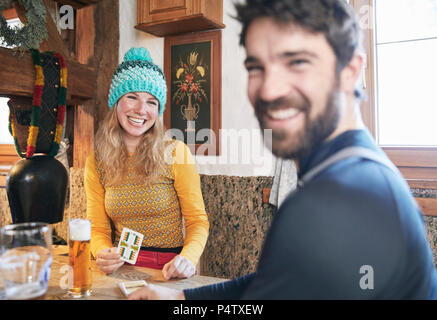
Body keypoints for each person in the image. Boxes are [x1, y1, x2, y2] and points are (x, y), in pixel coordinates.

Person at [129, 0, 437, 299]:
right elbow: (285, 278)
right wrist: (182, 299)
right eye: (257, 67)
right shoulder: (358, 172)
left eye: (297, 62)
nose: (269, 89)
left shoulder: (338, 198)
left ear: (351, 70)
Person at [84, 47, 209, 280]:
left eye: (151, 102)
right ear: (116, 103)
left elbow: (197, 221)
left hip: (168, 269)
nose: (141, 110)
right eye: (132, 97)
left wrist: (188, 259)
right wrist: (102, 252)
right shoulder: (96, 162)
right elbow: (98, 229)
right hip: (119, 268)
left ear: (158, 110)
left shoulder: (175, 153)